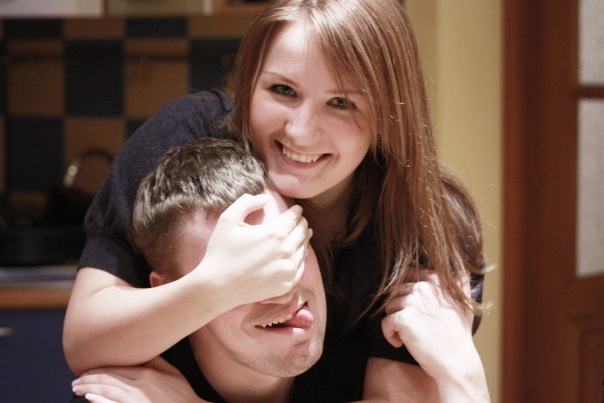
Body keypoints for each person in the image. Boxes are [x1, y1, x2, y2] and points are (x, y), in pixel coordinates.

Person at [64, 0, 490, 400]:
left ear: (388, 116)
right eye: (282, 90)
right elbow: (85, 343)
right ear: (250, 83)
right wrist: (215, 285)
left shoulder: (422, 224)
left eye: (341, 103)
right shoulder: (183, 143)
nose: (300, 131)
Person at [72, 138, 327, 402]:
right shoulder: (125, 393)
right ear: (166, 290)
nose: (282, 292)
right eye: (240, 273)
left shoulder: (352, 345)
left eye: (287, 249)